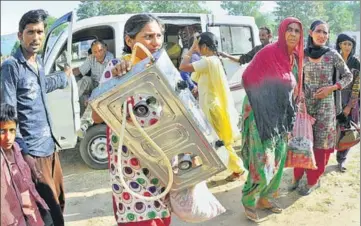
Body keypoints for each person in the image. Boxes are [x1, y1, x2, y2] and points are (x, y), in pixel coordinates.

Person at [92, 14, 172, 226]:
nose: (155, 42)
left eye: (158, 36)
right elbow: (96, 115)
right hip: (130, 166)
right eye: (148, 36)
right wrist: (120, 84)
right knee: (136, 219)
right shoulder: (117, 68)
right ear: (129, 41)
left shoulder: (163, 69)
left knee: (162, 218)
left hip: (160, 161)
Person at [1, 9, 72, 226]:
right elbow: (7, 112)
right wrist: (21, 152)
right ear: (20, 35)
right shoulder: (11, 67)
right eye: (30, 32)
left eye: (40, 32)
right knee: (45, 211)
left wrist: (65, 76)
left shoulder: (38, 63)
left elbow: (43, 86)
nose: (36, 37)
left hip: (50, 146)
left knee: (58, 202)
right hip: (31, 151)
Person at [239, 17, 304, 222]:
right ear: (282, 31)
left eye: (297, 30)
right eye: (289, 29)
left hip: (281, 116)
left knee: (278, 158)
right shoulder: (268, 52)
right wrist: (264, 102)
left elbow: (293, 87)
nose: (293, 33)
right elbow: (247, 77)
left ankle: (266, 198)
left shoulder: (294, 57)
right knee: (262, 161)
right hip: (261, 115)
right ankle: (249, 200)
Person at [291, 20, 353, 196]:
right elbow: (295, 77)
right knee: (302, 140)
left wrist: (332, 88)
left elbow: (348, 76)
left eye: (325, 33)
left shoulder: (332, 54)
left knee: (321, 144)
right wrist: (299, 94)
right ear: (311, 33)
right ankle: (297, 175)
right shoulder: (301, 54)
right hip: (305, 104)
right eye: (319, 31)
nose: (322, 35)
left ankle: (313, 180)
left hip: (326, 105)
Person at [178, 32, 246, 182]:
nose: (197, 49)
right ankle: (234, 168)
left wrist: (191, 49)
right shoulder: (211, 61)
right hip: (210, 107)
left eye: (198, 46)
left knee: (220, 142)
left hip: (212, 108)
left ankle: (238, 169)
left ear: (204, 46)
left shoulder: (209, 61)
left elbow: (183, 67)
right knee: (217, 142)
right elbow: (200, 80)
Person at [1, 104, 53, 226]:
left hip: (32, 215)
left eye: (12, 130)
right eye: (2, 131)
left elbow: (28, 188)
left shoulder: (18, 150)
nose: (8, 137)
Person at [72, 39, 114, 137]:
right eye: (95, 52)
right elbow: (80, 71)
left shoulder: (110, 59)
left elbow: (106, 84)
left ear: (105, 49)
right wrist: (68, 73)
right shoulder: (91, 58)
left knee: (94, 99)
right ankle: (72, 99)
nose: (98, 54)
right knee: (86, 79)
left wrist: (91, 97)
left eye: (100, 50)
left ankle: (84, 124)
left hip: (105, 87)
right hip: (94, 84)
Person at [335, 33, 360, 172]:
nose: (347, 46)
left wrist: (350, 105)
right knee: (332, 129)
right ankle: (325, 157)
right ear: (339, 45)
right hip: (334, 98)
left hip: (350, 99)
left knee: (347, 131)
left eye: (350, 44)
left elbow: (357, 85)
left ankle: (341, 160)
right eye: (344, 43)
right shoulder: (334, 59)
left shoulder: (356, 63)